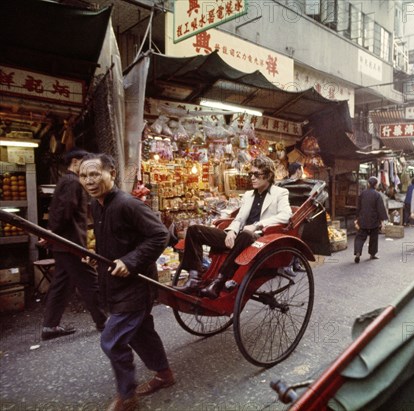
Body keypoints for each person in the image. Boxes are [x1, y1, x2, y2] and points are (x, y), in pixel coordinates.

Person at [78, 153, 174, 411]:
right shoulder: (97, 205)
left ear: (112, 173)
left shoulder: (128, 204)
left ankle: (127, 396)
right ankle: (165, 375)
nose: (89, 180)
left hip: (136, 285)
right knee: (142, 334)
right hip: (115, 284)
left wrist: (130, 261)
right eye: (83, 175)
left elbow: (159, 235)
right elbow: (114, 240)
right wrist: (100, 258)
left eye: (95, 174)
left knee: (112, 340)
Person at [176, 156, 292, 298]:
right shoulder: (248, 195)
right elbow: (239, 218)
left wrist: (257, 226)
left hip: (260, 239)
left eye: (257, 174)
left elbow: (286, 215)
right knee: (195, 230)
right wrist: (231, 230)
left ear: (268, 175)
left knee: (246, 235)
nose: (252, 178)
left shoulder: (280, 193)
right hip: (240, 236)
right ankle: (194, 279)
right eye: (251, 174)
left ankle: (219, 281)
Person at [40, 148, 107, 341]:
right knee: (89, 281)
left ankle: (50, 326)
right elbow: (65, 209)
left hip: (64, 241)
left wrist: (52, 232)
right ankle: (103, 320)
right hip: (70, 242)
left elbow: (60, 209)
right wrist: (53, 232)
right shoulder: (73, 181)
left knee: (61, 284)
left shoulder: (66, 180)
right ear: (76, 162)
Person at [353, 177, 388, 263]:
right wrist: (383, 220)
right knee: (373, 238)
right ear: (375, 185)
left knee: (360, 237)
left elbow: (358, 207)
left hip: (363, 219)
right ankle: (372, 254)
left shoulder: (362, 194)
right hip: (374, 219)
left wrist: (356, 218)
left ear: (368, 184)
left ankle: (358, 252)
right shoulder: (377, 195)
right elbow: (380, 208)